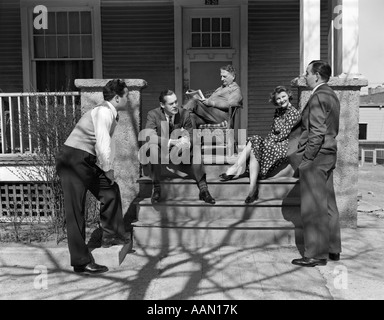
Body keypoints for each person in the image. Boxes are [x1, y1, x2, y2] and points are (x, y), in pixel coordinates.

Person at [56, 79, 132, 275]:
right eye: (127, 95)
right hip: (73, 160)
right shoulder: (104, 111)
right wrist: (108, 168)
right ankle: (81, 262)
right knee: (76, 211)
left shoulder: (110, 113)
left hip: (85, 160)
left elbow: (105, 143)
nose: (129, 98)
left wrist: (107, 170)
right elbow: (102, 141)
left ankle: (111, 235)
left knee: (110, 190)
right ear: (117, 98)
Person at [290, 60, 342, 267]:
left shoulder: (319, 96)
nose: (305, 76)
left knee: (314, 206)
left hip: (317, 156)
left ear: (317, 76)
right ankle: (333, 249)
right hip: (329, 154)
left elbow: (317, 132)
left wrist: (307, 158)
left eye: (307, 73)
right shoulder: (331, 95)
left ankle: (315, 255)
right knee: (329, 203)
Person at [219, 86, 301, 203]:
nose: (281, 100)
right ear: (275, 101)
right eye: (278, 99)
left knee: (255, 142)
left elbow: (283, 134)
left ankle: (236, 168)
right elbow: (273, 131)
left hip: (285, 145)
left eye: (283, 97)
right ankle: (252, 190)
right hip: (274, 142)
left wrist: (267, 141)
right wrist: (268, 140)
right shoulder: (278, 111)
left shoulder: (294, 113)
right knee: (255, 144)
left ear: (288, 96)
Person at [142, 89, 215, 204]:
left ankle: (203, 190)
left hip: (180, 150)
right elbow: (150, 136)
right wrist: (170, 141)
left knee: (195, 147)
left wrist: (186, 141)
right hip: (162, 149)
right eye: (171, 104)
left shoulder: (184, 113)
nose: (175, 105)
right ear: (162, 105)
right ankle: (156, 188)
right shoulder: (153, 114)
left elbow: (191, 134)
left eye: (176, 102)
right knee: (153, 148)